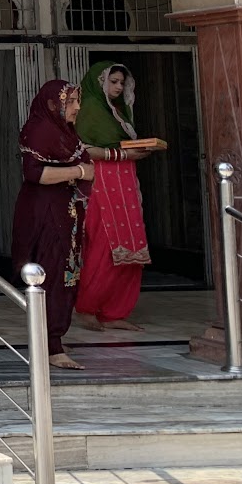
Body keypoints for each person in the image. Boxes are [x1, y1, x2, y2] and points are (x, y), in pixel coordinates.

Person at [12, 80, 94, 370]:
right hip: (46, 214)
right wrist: (80, 170)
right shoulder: (40, 131)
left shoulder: (64, 131)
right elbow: (35, 173)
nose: (77, 108)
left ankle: (53, 337)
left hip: (65, 211)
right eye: (71, 102)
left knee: (66, 275)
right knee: (52, 274)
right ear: (52, 104)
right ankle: (51, 345)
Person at [74, 62, 159, 331]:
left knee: (132, 246)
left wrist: (136, 151)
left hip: (124, 182)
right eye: (113, 82)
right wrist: (123, 154)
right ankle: (87, 307)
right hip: (100, 183)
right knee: (103, 244)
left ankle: (115, 311)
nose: (119, 87)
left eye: (122, 82)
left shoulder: (119, 112)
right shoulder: (88, 110)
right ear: (99, 82)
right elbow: (84, 150)